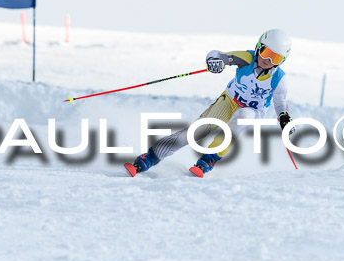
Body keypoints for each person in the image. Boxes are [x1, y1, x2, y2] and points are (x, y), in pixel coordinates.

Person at [125, 29, 295, 178]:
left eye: (275, 58)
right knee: (198, 131)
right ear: (259, 46)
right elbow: (218, 55)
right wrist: (215, 61)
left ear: (282, 61)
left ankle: (208, 159)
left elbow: (280, 103)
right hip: (229, 100)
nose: (268, 60)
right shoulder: (247, 58)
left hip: (254, 110)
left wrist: (284, 118)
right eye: (266, 53)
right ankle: (148, 158)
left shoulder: (279, 79)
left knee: (243, 117)